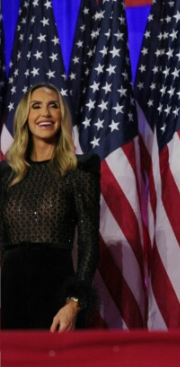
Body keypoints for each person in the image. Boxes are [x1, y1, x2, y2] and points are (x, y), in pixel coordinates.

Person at [0, 83, 100, 331]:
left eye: (53, 106)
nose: (45, 112)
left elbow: (89, 240)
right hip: (12, 293)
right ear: (25, 117)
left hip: (57, 293)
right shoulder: (5, 175)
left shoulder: (80, 169)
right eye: (36, 106)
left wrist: (74, 303)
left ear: (61, 117)